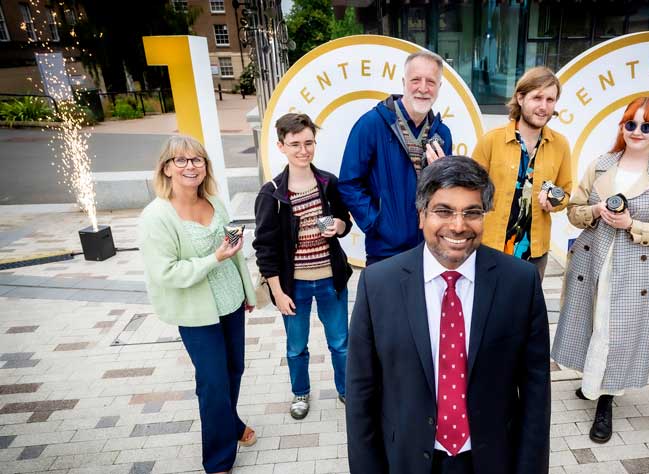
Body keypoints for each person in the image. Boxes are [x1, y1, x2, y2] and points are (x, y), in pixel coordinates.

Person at [346, 156, 551, 474]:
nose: (458, 225)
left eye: (472, 213)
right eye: (443, 211)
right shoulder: (378, 285)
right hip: (406, 460)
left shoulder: (520, 282)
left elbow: (536, 392)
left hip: (492, 460)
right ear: (421, 216)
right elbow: (361, 392)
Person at [551, 97, 649, 444]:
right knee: (594, 322)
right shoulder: (601, 165)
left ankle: (606, 400)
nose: (637, 132)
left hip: (638, 269)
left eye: (647, 125)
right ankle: (592, 382)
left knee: (619, 331)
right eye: (631, 124)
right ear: (622, 127)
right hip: (594, 259)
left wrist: (632, 224)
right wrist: (597, 211)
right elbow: (573, 210)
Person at [139, 135, 257, 474]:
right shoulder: (156, 216)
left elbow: (231, 252)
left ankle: (230, 423)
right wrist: (215, 257)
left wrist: (246, 293)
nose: (191, 166)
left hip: (231, 302)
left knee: (234, 370)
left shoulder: (215, 202)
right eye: (181, 160)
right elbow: (166, 273)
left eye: (197, 160)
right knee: (213, 381)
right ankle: (218, 459)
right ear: (166, 168)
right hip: (197, 312)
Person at [253, 113, 353, 420]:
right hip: (293, 285)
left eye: (308, 142)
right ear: (281, 146)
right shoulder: (272, 193)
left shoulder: (328, 183)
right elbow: (265, 249)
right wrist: (277, 292)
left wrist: (338, 225)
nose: (303, 150)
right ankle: (300, 393)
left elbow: (344, 222)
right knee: (297, 346)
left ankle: (347, 390)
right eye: (295, 144)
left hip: (330, 279)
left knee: (341, 343)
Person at [339, 50, 453, 266]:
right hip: (385, 251)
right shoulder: (372, 124)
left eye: (430, 81)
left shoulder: (442, 134)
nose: (422, 88)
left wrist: (442, 174)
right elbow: (349, 183)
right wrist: (377, 223)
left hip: (429, 249)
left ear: (439, 87)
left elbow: (447, 193)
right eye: (416, 80)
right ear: (404, 82)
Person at [472, 66, 572, 279]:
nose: (543, 107)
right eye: (537, 98)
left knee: (526, 311)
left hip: (535, 253)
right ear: (520, 97)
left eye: (550, 100)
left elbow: (566, 193)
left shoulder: (560, 145)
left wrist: (554, 199)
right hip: (491, 248)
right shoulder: (491, 141)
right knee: (488, 311)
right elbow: (470, 192)